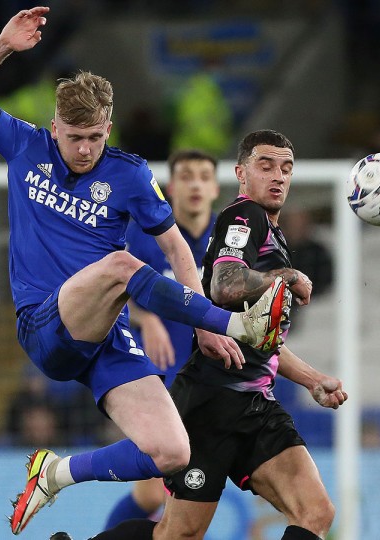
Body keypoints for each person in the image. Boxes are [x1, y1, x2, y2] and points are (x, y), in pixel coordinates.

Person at [0, 7, 290, 535]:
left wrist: (198, 322)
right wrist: (4, 46)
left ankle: (54, 474)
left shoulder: (129, 174)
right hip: (44, 322)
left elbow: (176, 249)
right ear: (55, 126)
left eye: (95, 138)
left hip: (103, 336)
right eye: (74, 137)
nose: (84, 150)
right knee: (120, 264)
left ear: (109, 127)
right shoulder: (24, 144)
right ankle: (240, 325)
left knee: (173, 452)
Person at [93, 130, 348, 540]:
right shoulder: (244, 217)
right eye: (265, 166)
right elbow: (224, 285)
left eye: (286, 168)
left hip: (255, 405)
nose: (278, 176)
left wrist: (312, 378)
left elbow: (256, 340)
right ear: (241, 173)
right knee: (178, 533)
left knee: (315, 511)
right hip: (211, 402)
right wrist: (286, 275)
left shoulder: (270, 233)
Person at [104, 148, 220, 529]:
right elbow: (111, 291)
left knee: (181, 496)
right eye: (186, 176)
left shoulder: (229, 240)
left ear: (216, 187)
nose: (196, 185)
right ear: (171, 187)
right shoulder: (144, 236)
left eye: (204, 176)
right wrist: (145, 318)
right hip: (161, 375)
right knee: (155, 492)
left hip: (213, 383)